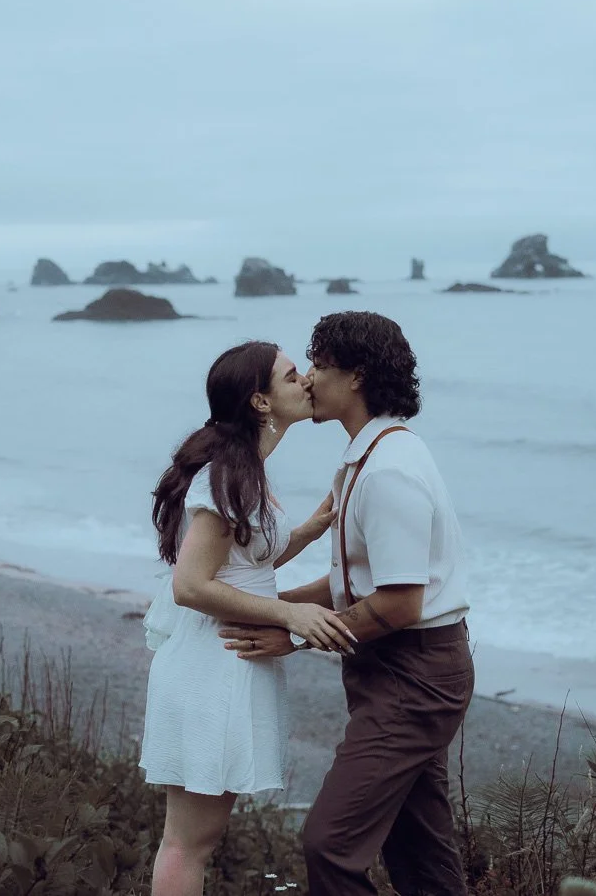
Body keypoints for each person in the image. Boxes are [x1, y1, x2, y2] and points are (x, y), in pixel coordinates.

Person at [219, 312, 473, 895]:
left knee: (330, 844)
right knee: (421, 852)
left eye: (320, 366)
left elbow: (400, 604)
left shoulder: (388, 470)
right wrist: (273, 606)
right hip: (391, 666)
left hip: (416, 673)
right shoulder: (367, 456)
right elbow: (353, 585)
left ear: (355, 377)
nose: (308, 379)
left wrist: (296, 634)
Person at [140, 340, 357, 896]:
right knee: (189, 842)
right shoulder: (226, 477)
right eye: (292, 377)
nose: (307, 381)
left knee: (196, 838)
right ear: (261, 402)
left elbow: (244, 559)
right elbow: (190, 584)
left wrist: (311, 528)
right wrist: (290, 612)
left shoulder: (245, 467)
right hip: (212, 667)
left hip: (224, 661)